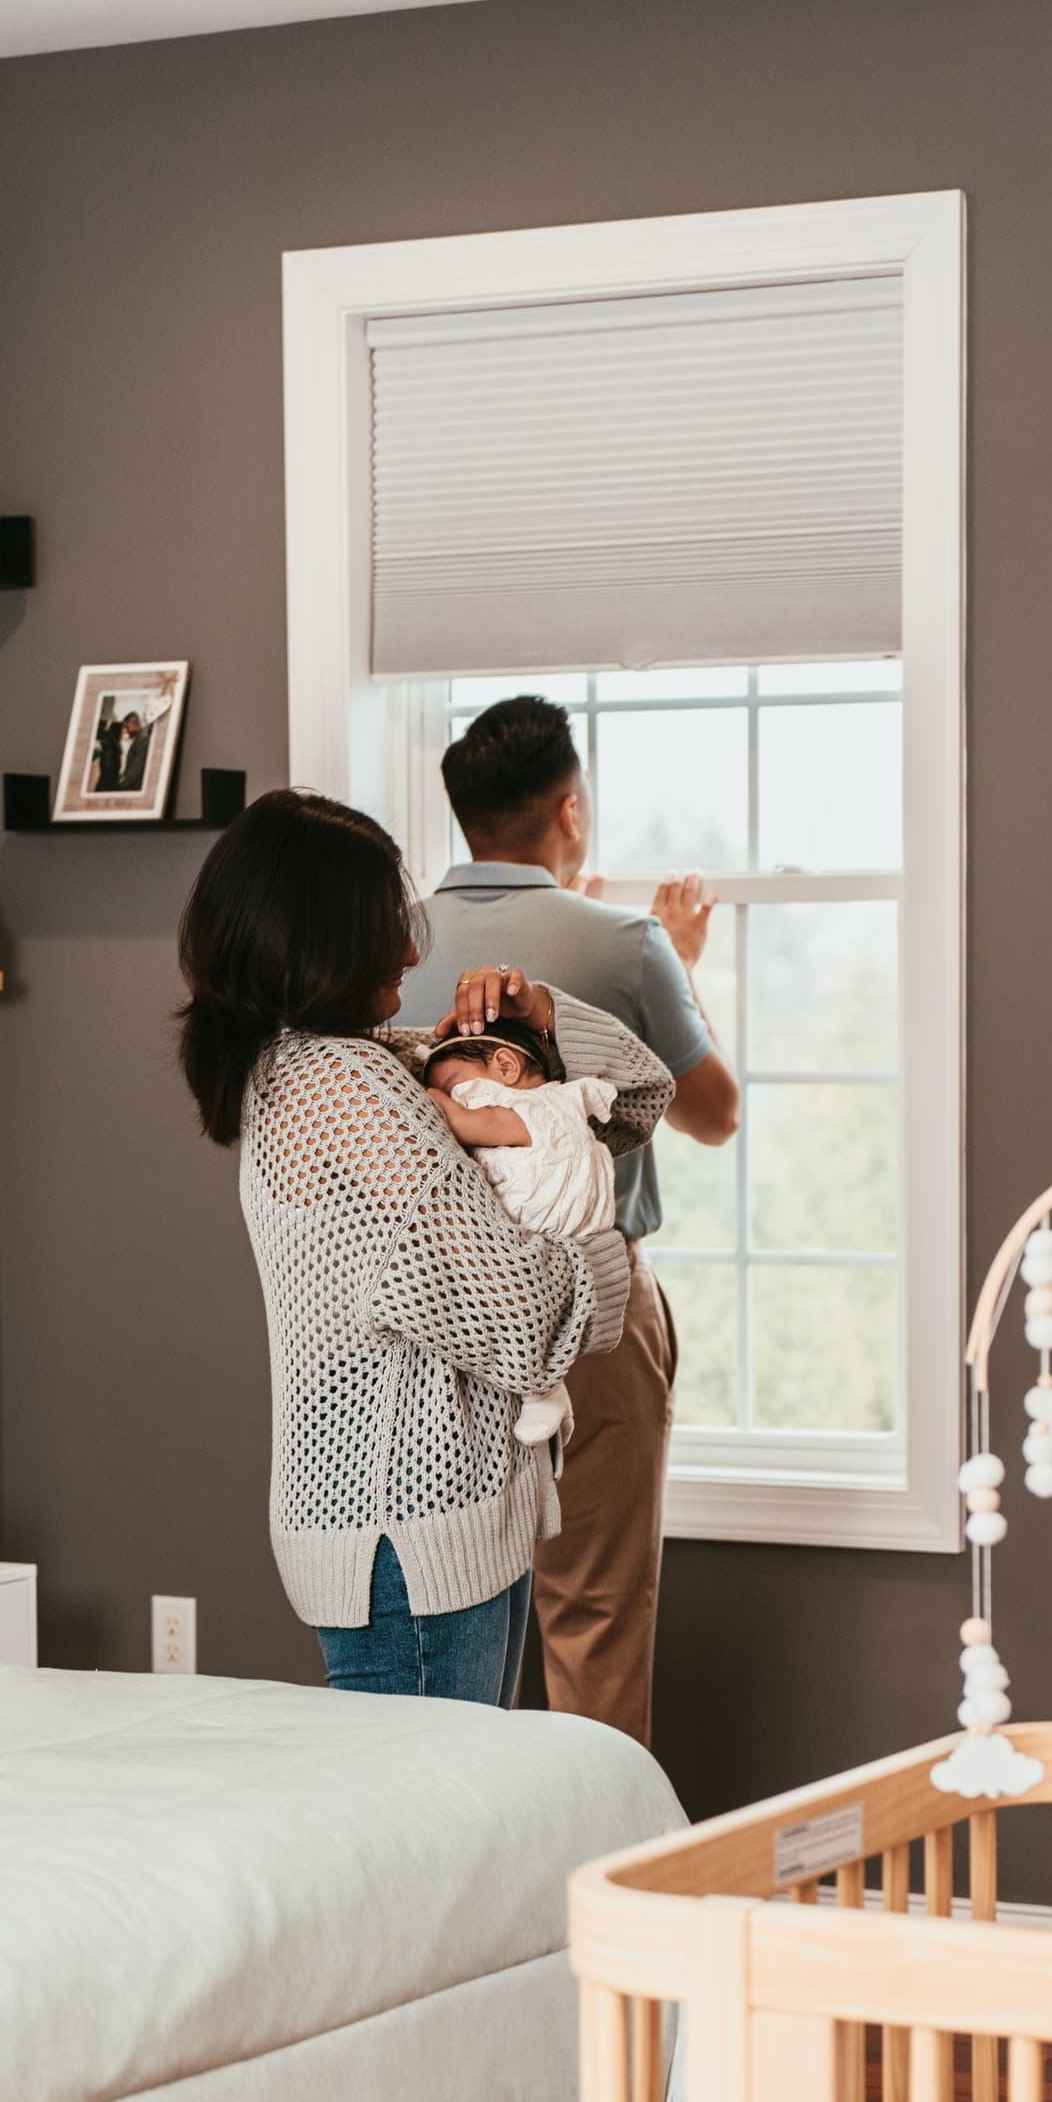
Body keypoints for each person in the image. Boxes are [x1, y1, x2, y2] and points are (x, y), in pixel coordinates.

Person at [176, 786, 672, 1705]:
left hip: (418, 1535)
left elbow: (636, 1097)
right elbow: (520, 1317)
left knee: (440, 1820)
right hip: (411, 1541)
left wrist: (545, 1014)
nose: (411, 946)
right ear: (321, 937)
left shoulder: (338, 1063)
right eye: (386, 921)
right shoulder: (346, 1087)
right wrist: (618, 1262)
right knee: (434, 1832)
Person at [418, 695, 739, 1747]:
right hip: (586, 1296)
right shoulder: (627, 942)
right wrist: (676, 959)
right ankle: (595, 1895)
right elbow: (712, 1114)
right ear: (570, 807)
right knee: (592, 1604)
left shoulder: (394, 941)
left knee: (451, 1595)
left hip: (436, 1302)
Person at [418, 1017, 618, 1447]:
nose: (453, 1096)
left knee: (500, 1298)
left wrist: (431, 1096)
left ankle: (541, 1387)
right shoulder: (564, 1108)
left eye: (456, 1085)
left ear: (506, 1067)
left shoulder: (535, 1110)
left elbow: (462, 1124)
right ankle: (545, 1385)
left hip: (538, 1231)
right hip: (571, 1235)